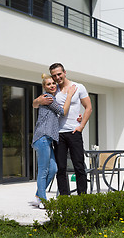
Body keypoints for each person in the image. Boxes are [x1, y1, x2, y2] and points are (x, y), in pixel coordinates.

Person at [33, 63, 92, 195]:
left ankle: (83, 197)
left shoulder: (78, 87)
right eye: (54, 76)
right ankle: (64, 198)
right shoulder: (53, 90)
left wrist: (81, 125)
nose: (57, 78)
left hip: (74, 131)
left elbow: (88, 107)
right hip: (58, 133)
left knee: (79, 166)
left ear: (65, 72)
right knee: (61, 168)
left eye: (59, 74)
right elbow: (35, 103)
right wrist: (39, 102)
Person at [31, 73, 76, 208]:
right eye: (48, 84)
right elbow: (62, 112)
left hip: (47, 140)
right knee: (44, 170)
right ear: (44, 87)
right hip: (42, 138)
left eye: (53, 83)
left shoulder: (50, 98)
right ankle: (43, 200)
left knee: (53, 168)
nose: (52, 86)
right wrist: (69, 95)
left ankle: (39, 194)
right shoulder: (49, 98)